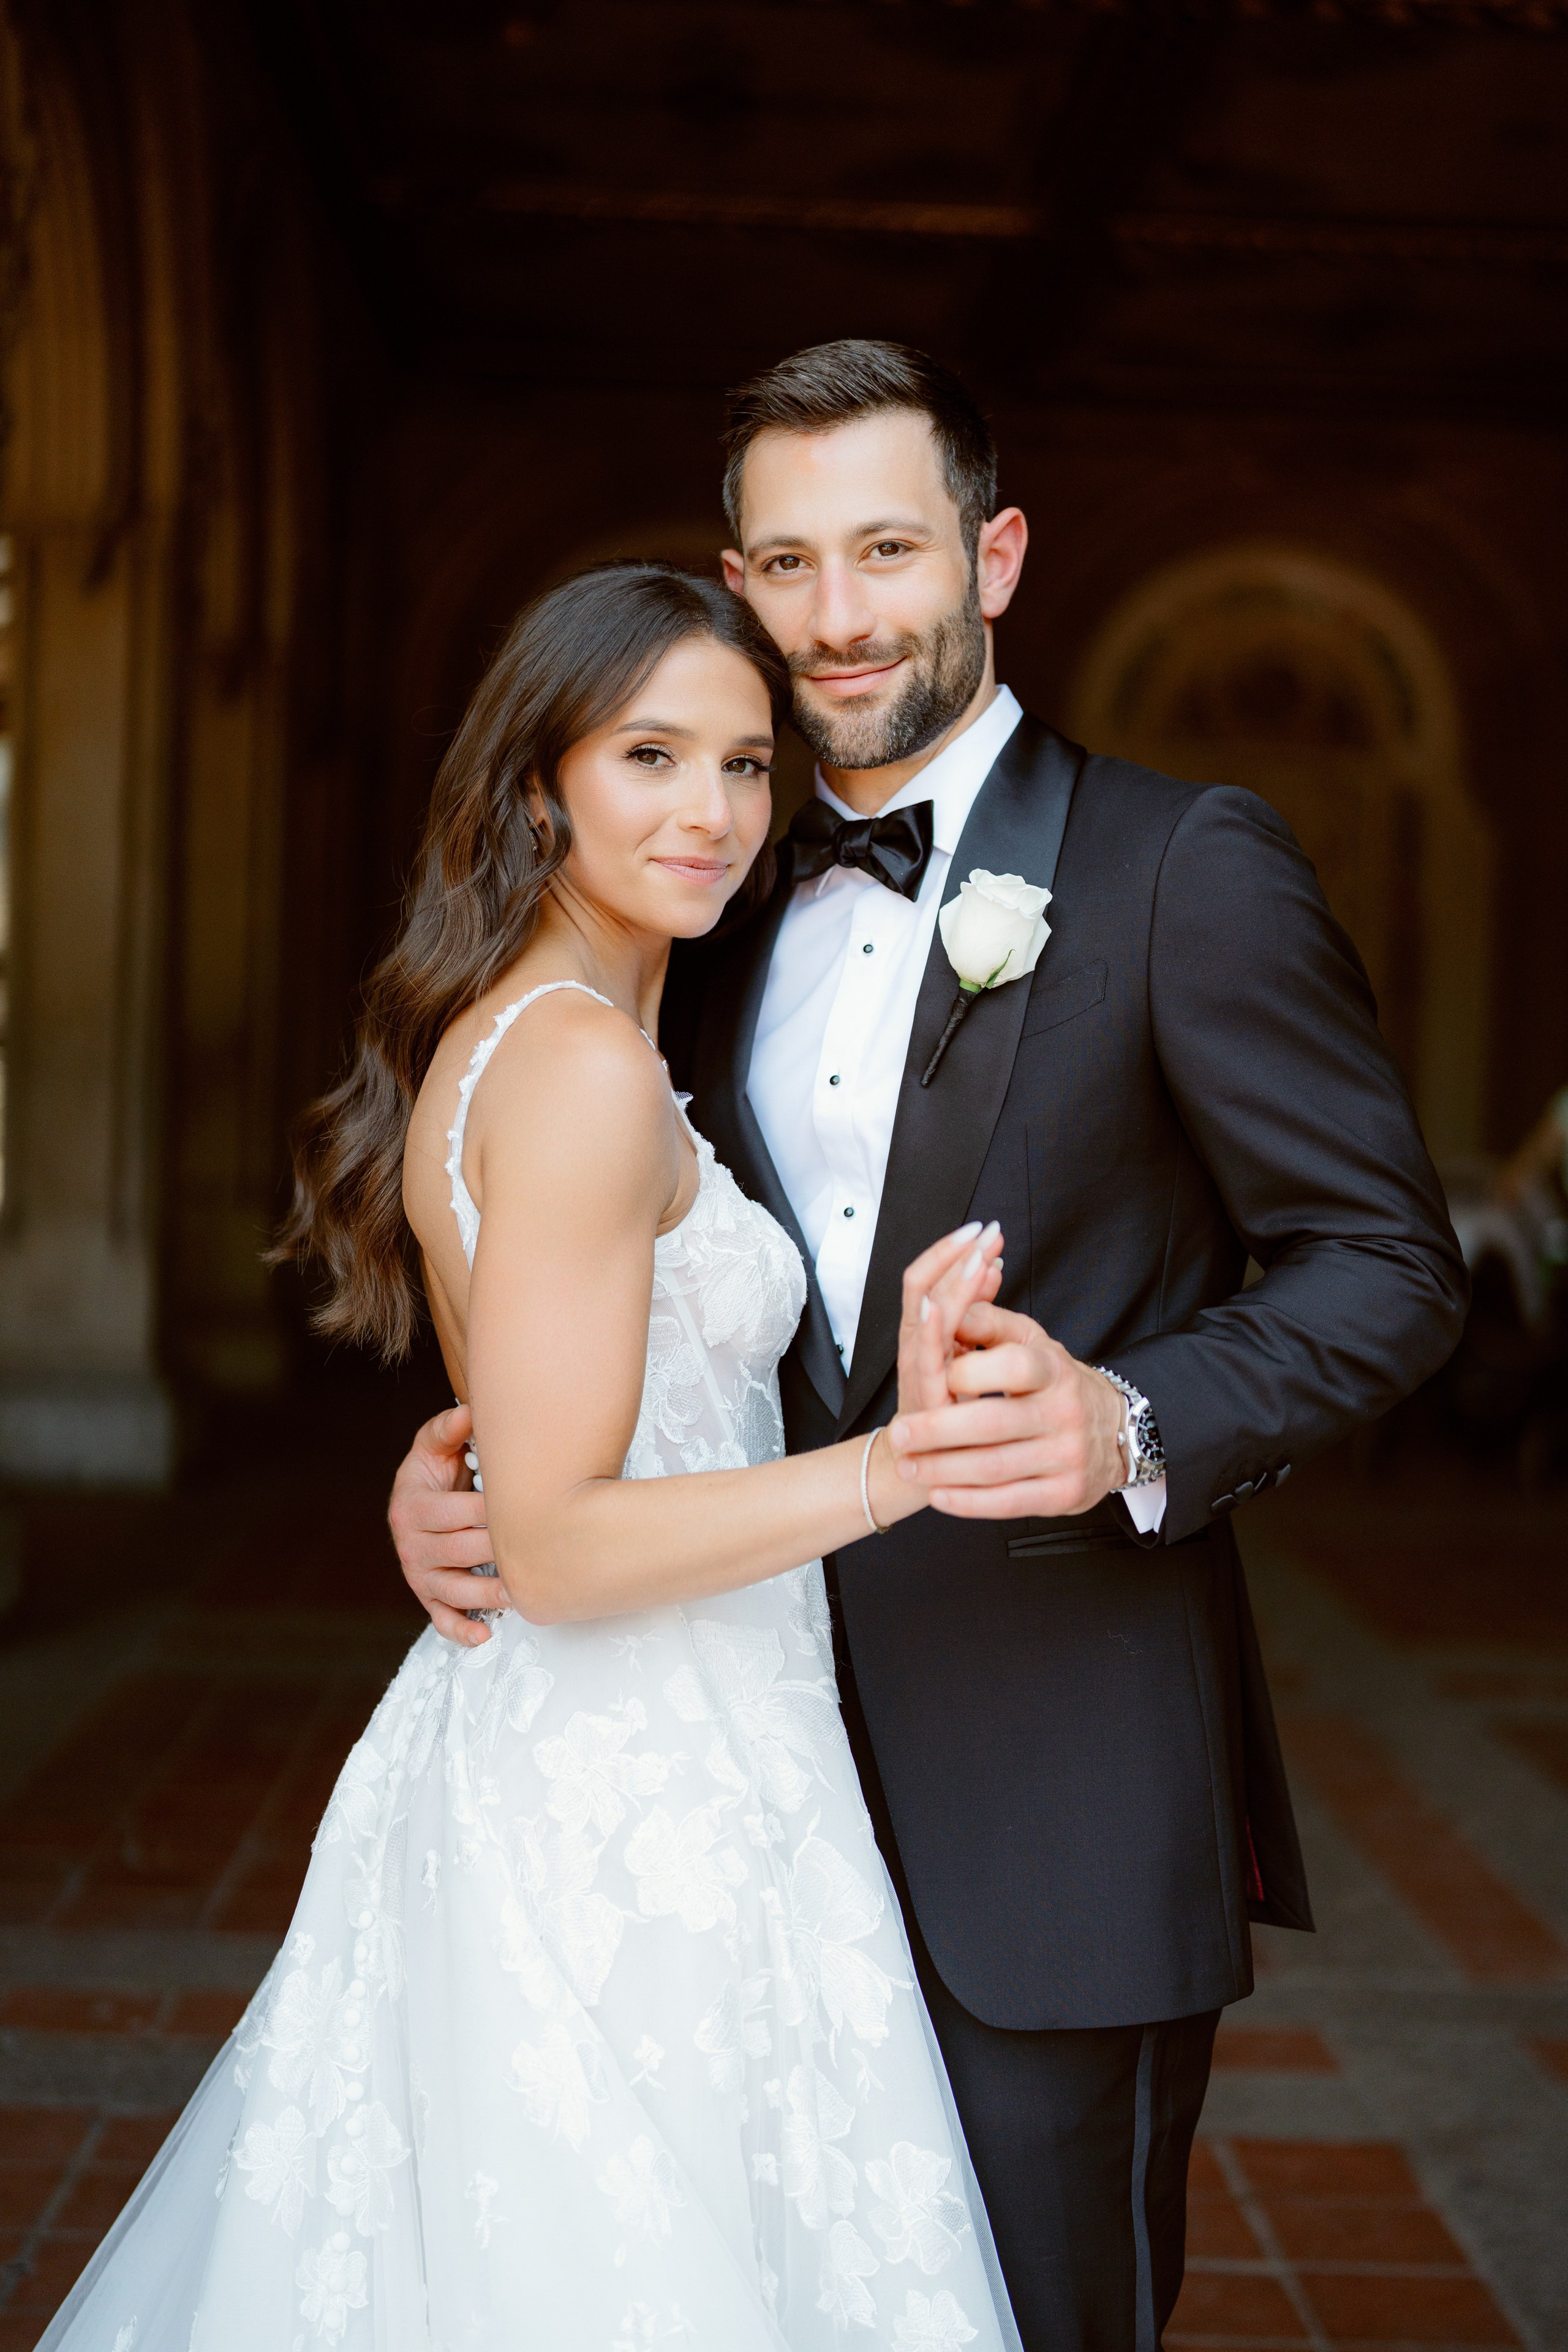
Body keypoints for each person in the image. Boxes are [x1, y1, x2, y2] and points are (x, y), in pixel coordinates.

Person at [390, 342, 1469, 2350]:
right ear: (736, 577)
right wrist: (468, 1457)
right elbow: (620, 1277)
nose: (838, 615)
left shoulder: (1181, 866)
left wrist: (1128, 1415)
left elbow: (1389, 1265)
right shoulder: (706, 899)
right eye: (786, 563)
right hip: (719, 1788)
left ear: (997, 554)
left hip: (1052, 1795)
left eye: (886, 549)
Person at [37, 563, 1030, 2351]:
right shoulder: (578, 1065)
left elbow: (576, 1426)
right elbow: (561, 1546)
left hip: (625, 1745)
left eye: (745, 766)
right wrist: (905, 1460)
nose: (712, 813)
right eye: (651, 754)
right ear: (539, 779)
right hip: (626, 1778)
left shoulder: (540, 1030)